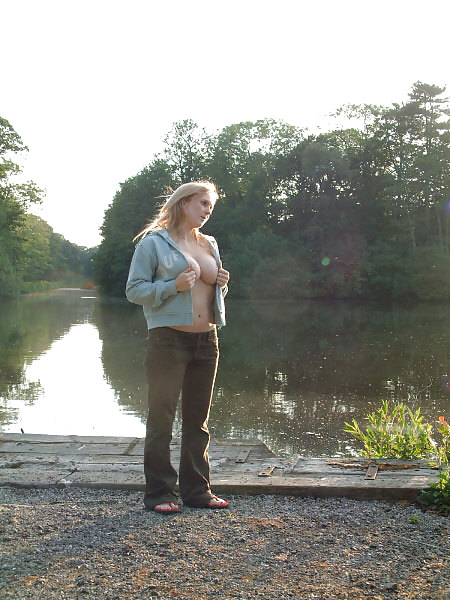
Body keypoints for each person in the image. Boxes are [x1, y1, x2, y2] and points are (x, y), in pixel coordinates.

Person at [126, 181, 230, 513]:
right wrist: (173, 285)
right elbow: (134, 290)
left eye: (210, 206)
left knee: (198, 421)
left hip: (207, 341)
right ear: (183, 203)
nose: (207, 210)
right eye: (202, 203)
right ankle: (159, 494)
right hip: (168, 340)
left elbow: (209, 294)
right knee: (161, 418)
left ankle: (198, 491)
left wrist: (221, 286)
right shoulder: (153, 244)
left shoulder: (210, 243)